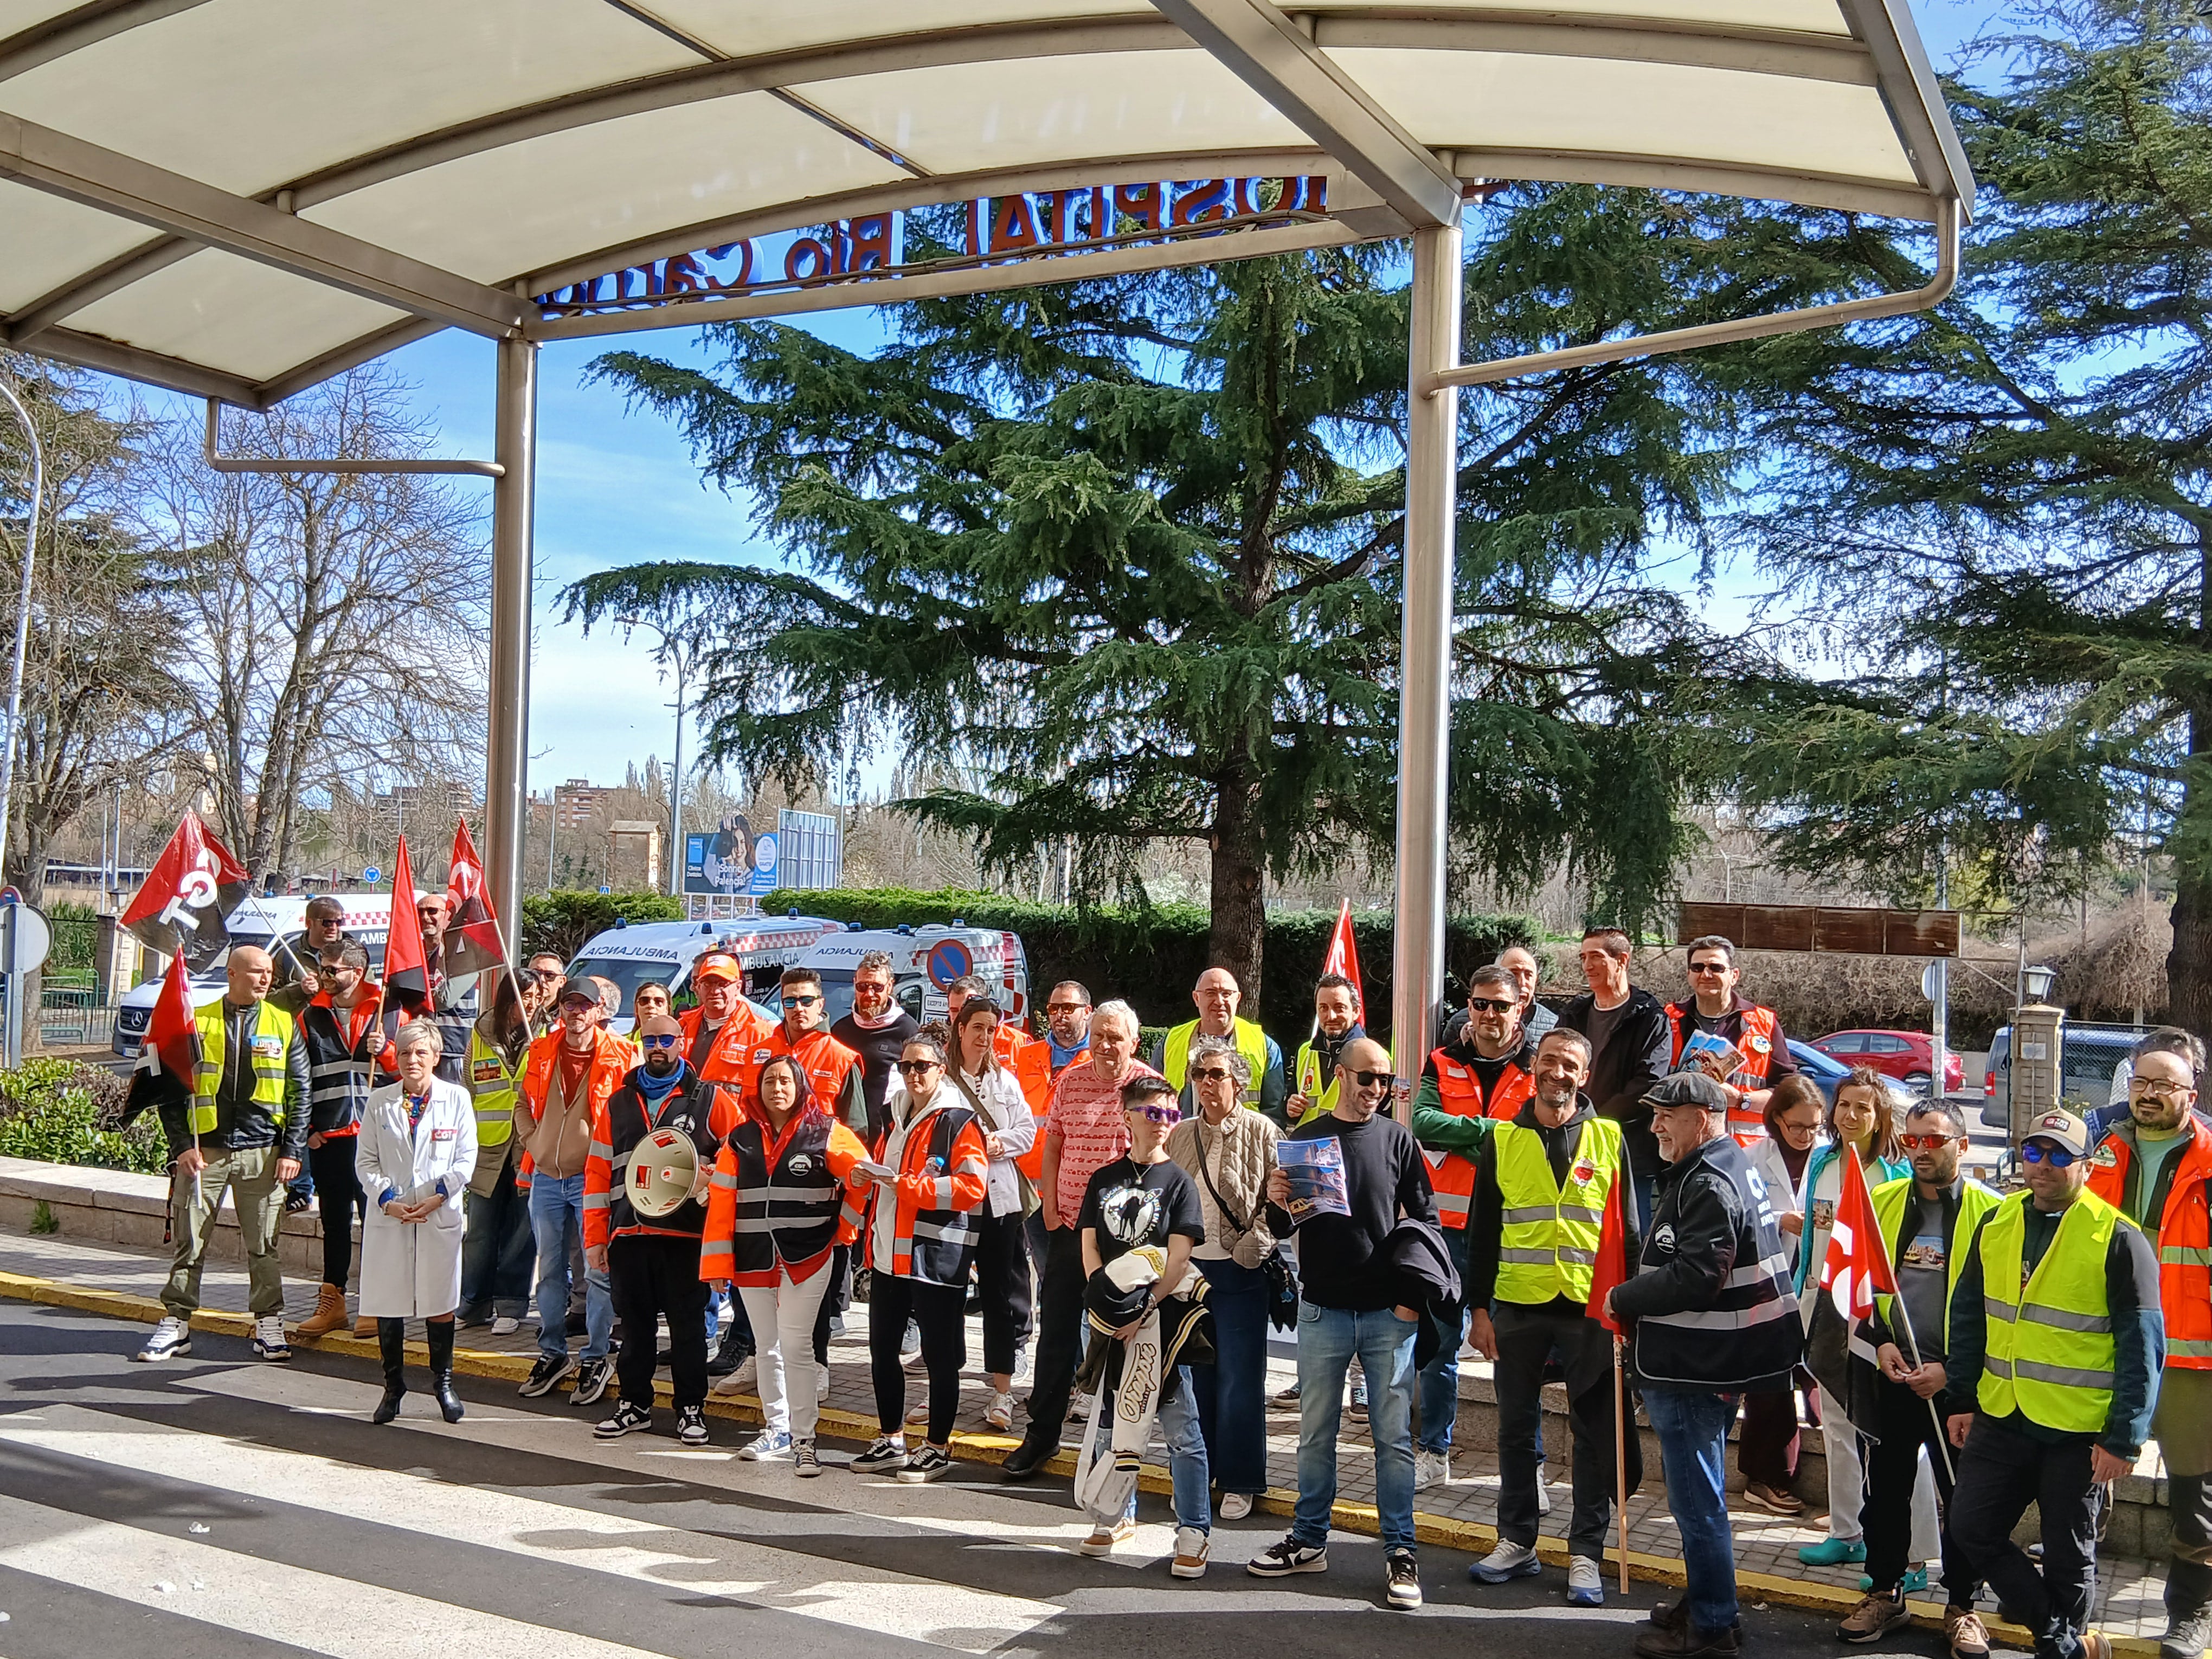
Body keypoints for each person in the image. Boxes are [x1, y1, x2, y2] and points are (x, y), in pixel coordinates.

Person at [1946, 1108, 2163, 1659]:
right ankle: (2068, 1642)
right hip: (2001, 1413)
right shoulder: (1998, 1222)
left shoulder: (2118, 1239)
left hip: (2077, 1428)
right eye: (2034, 1153)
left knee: (2069, 1557)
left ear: (2086, 1165)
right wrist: (1963, 1398)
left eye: (2060, 1155)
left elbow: (2143, 1347)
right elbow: (1970, 1316)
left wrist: (2124, 1439)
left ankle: (2060, 1645)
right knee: (1971, 1528)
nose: (2043, 1166)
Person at [1607, 1071, 1800, 1659]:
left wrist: (1622, 1298)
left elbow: (1697, 1276)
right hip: (1713, 1362)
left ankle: (1713, 1625)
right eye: (1656, 1112)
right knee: (1701, 1498)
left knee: (1698, 1504)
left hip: (1697, 1368)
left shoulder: (1711, 1181)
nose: (1657, 1123)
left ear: (1707, 1117)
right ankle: (1707, 1601)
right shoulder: (1726, 1166)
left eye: (1670, 1113)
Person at [1249, 1034, 1435, 1612]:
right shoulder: (1303, 1139)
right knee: (1314, 1436)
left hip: (1387, 1313)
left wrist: (1409, 1301)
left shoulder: (1399, 1140)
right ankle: (1309, 1540)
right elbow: (1280, 1229)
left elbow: (1425, 1221)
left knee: (1393, 1440)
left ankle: (1401, 1551)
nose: (1376, 1089)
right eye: (1367, 1078)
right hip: (1323, 1308)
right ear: (1341, 1076)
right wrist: (1276, 1199)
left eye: (1384, 1080)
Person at [1464, 1026, 1643, 1607]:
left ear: (1584, 1075)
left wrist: (1630, 1314)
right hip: (1517, 1307)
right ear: (1533, 1068)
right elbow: (1482, 1232)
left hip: (1592, 1312)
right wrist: (1480, 1310)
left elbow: (1631, 1233)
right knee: (1516, 1430)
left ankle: (1586, 1554)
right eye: (1548, 1061)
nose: (1556, 1073)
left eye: (1569, 1064)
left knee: (1593, 1437)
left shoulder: (1609, 1137)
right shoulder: (1503, 1141)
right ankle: (1517, 1541)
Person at [1836, 1099, 2000, 1658]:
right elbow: (1859, 1289)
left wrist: (1954, 1374)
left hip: (1960, 1385)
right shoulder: (1881, 1201)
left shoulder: (1995, 1212)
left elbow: (2006, 1310)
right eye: (1913, 1142)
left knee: (1965, 1498)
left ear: (1963, 1145)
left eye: (1935, 1141)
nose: (1922, 1151)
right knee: (1885, 1492)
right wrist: (1880, 1341)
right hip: (1895, 1373)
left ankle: (1963, 1606)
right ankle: (1886, 1592)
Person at [2086, 1041, 2212, 1659]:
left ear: (2192, 1096)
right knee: (2084, 1473)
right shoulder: (2100, 1151)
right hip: (2108, 1347)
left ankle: (2194, 1613)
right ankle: (2070, 1595)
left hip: (2192, 1360)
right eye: (2142, 1082)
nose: (2150, 1094)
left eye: (2166, 1085)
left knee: (2197, 1494)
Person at [1002, 999, 1156, 1481]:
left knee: (1123, 1337)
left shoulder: (1150, 1088)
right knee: (1057, 1336)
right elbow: (1054, 1143)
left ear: (1134, 1042)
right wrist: (1048, 1205)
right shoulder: (1070, 1080)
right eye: (1101, 1036)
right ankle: (1041, 1435)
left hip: (1125, 1237)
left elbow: (1161, 1154)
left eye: (1117, 1038)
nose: (1107, 1046)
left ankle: (1113, 1444)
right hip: (1069, 1227)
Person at [138, 946, 310, 1364]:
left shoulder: (283, 1022)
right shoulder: (197, 1021)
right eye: (256, 972)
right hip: (205, 1152)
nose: (266, 979)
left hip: (263, 1153)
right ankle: (176, 1323)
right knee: (190, 1243)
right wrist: (181, 1146)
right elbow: (170, 1091)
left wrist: (292, 1150)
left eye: (269, 972)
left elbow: (301, 1091)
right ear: (232, 974)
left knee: (264, 1246)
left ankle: (269, 1322)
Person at [1071, 1072, 1214, 1570]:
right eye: (1153, 1113)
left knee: (1181, 1428)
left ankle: (1194, 1530)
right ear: (1128, 1115)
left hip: (1163, 1326)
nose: (1163, 1123)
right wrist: (1108, 1305)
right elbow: (1090, 1245)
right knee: (1114, 1422)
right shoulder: (1104, 1178)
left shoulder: (1179, 1184)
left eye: (1171, 1114)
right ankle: (1115, 1513)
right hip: (1113, 1320)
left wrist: (1142, 1310)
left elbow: (1178, 1260)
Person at [703, 1052, 869, 1472]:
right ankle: (776, 1429)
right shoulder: (739, 1140)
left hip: (809, 1257)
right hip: (753, 1259)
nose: (777, 1088)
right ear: (758, 1089)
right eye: (770, 1081)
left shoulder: (828, 1132)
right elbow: (722, 1204)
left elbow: (862, 1180)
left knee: (796, 1347)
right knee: (766, 1349)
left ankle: (804, 1439)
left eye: (785, 1081)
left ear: (800, 1087)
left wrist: (843, 1233)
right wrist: (718, 1266)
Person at [587, 1012, 741, 1448]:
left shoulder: (709, 1099)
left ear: (681, 1042)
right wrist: (596, 1238)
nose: (658, 1047)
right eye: (650, 1039)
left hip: (686, 1237)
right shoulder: (618, 1103)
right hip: (629, 1236)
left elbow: (740, 1150)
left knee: (688, 1329)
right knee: (634, 1329)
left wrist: (711, 1174)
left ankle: (691, 1409)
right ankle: (633, 1405)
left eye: (666, 1039)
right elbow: (598, 1174)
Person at [1792, 1067, 1925, 1571]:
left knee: (1891, 1433)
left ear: (1880, 1116)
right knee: (1835, 1423)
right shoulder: (1824, 1162)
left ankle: (1913, 1552)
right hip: (1821, 1305)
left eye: (1863, 1107)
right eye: (1844, 1104)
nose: (1850, 1115)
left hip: (1873, 1318)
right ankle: (1847, 1531)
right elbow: (1814, 1236)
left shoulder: (1895, 1177)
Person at [1410, 962, 1534, 1483]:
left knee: (1514, 1358)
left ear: (1520, 1007)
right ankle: (1433, 1453)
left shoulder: (1536, 1067)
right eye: (1479, 1003)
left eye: (1500, 1005)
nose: (1488, 1014)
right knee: (1438, 1349)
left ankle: (1526, 1470)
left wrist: (1465, 1137)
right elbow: (1421, 1123)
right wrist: (1493, 1133)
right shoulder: (1441, 1061)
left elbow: (1534, 1142)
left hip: (1509, 1232)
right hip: (1447, 1232)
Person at [848, 1034, 990, 1483]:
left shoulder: (959, 1121)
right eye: (907, 1066)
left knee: (939, 1356)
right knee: (882, 1352)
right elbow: (887, 1174)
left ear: (941, 1069)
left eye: (922, 1066)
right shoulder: (895, 1113)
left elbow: (971, 1188)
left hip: (935, 1257)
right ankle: (891, 1438)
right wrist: (866, 1174)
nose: (913, 1074)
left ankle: (938, 1446)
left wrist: (909, 1186)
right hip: (890, 1254)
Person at [1167, 1032, 1280, 1522]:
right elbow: (1166, 1195)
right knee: (1195, 1379)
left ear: (1238, 1081)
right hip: (1189, 1272)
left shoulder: (1264, 1131)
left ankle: (1240, 1479)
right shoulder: (1180, 1132)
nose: (1207, 1083)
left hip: (1241, 1268)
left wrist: (1256, 1247)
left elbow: (1282, 1200)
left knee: (1239, 1379)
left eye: (1216, 1074)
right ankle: (1199, 1473)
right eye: (1199, 1074)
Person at [513, 980, 629, 1405]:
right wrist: (533, 1140)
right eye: (570, 1004)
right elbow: (522, 1101)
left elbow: (630, 1112)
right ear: (560, 1009)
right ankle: (552, 1353)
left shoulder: (621, 1054)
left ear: (599, 1010)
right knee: (549, 1273)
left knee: (598, 1270)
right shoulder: (542, 1050)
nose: (576, 1012)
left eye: (584, 1005)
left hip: (591, 1180)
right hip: (545, 1175)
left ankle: (598, 1356)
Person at [355, 1021, 475, 1425]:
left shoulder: (456, 1099)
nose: (412, 1060)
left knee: (439, 1302)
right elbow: (366, 1161)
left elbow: (465, 1159)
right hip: (392, 1217)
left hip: (437, 1215)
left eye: (421, 1053)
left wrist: (438, 1196)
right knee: (390, 1303)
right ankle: (393, 1387)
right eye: (405, 1053)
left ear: (436, 1058)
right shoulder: (379, 1102)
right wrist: (387, 1200)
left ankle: (443, 1384)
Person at [291, 940, 396, 1341]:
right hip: (329, 1138)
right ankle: (333, 1300)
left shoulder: (387, 1010)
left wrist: (385, 1051)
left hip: (376, 1138)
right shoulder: (311, 1014)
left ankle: (374, 1303)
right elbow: (299, 1080)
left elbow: (411, 1073)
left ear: (359, 971)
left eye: (334, 970)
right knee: (334, 1222)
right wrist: (308, 1132)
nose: (325, 976)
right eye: (324, 968)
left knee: (377, 1221)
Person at [944, 996, 1036, 1431]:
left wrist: (997, 1144)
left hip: (999, 1204)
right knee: (946, 1298)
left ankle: (1002, 1394)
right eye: (976, 1028)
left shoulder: (1005, 1081)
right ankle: (942, 1387)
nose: (984, 1037)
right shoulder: (940, 1080)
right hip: (953, 1203)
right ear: (959, 1029)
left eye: (991, 1030)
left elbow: (1028, 1132)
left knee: (1001, 1298)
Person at [1737, 1073, 1824, 1515]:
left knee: (1822, 1380)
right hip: (1770, 1282)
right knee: (1770, 1383)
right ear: (1776, 1122)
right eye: (1797, 1128)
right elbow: (1741, 1219)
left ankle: (1849, 1489)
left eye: (1815, 1127)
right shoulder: (1752, 1158)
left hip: (1818, 1282)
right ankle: (1766, 1477)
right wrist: (1778, 1220)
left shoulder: (1831, 1160)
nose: (1807, 1137)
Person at [1560, 926, 1673, 1229]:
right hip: (1572, 1147)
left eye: (1596, 957)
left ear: (1622, 960)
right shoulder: (1575, 1014)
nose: (1587, 966)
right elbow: (1556, 1067)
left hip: (1629, 1152)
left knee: (1630, 1237)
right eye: (1583, 957)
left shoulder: (1650, 1017)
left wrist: (1593, 1120)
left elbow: (1649, 1082)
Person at [460, 965, 545, 1336]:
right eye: (518, 998)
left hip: (529, 1147)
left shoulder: (548, 1034)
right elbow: (467, 1092)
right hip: (487, 1147)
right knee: (480, 1230)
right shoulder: (479, 1035)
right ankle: (473, 1302)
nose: (525, 1006)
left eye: (532, 998)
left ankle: (511, 1304)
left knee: (521, 1230)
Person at [1665, 935, 1798, 1146]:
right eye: (1698, 967)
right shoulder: (1668, 1019)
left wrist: (1741, 1101)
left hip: (1745, 1150)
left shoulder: (1764, 1023)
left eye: (1716, 968)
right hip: (1681, 1146)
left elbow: (1788, 1091)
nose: (1706, 974)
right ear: (1689, 974)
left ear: (1734, 975)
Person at [1155, 967, 1287, 1124]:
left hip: (1243, 1143)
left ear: (1238, 998)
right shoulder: (1170, 1042)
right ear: (1196, 998)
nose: (1219, 1001)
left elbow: (1273, 1113)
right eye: (1211, 993)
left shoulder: (1265, 1046)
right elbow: (1154, 1101)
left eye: (1226, 994)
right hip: (1183, 1141)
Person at [830, 949, 918, 1147]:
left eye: (877, 987)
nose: (869, 994)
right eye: (862, 986)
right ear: (854, 984)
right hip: (843, 1136)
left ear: (890, 986)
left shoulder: (907, 1030)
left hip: (887, 1137)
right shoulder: (840, 1030)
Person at [679, 951, 775, 1083]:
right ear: (698, 987)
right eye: (708, 984)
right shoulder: (682, 1026)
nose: (715, 991)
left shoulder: (760, 1033)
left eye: (723, 984)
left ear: (738, 987)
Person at [1287, 974, 1363, 1128]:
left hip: (1348, 1147)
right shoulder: (1305, 1051)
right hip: (1308, 1144)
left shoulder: (1371, 1057)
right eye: (1323, 1008)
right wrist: (1291, 1109)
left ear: (1356, 1011)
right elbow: (1292, 1106)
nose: (1331, 1016)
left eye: (1339, 1007)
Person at [267, 893, 352, 1016]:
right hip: (301, 1030)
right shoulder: (288, 955)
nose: (333, 928)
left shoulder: (353, 953)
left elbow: (368, 993)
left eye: (339, 922)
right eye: (327, 922)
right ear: (309, 923)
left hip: (341, 1028)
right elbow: (269, 1001)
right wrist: (299, 990)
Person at [1015, 980, 1092, 1114]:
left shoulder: (1099, 1059)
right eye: (1053, 1008)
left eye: (1068, 1008)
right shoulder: (1026, 1055)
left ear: (1087, 1012)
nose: (1059, 1015)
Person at [1498, 944, 1560, 1041]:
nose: (1522, 982)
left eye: (1528, 975)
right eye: (1514, 973)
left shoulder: (1554, 1025)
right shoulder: (1474, 1019)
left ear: (1536, 980)